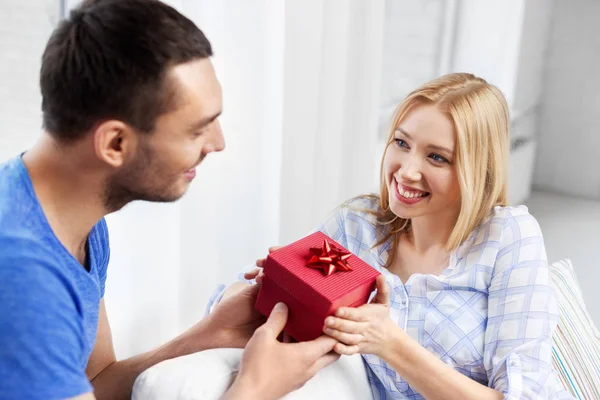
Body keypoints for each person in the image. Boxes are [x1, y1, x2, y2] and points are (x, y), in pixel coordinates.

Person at [0, 1, 339, 399]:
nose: (218, 143)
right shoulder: (23, 279)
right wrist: (255, 389)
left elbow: (97, 381)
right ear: (115, 143)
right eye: (197, 131)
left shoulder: (72, 216)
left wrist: (208, 335)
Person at [217, 73, 573, 399]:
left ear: (478, 170)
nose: (407, 171)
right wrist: (277, 282)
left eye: (437, 157)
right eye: (401, 143)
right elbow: (233, 310)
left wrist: (392, 345)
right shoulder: (357, 226)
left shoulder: (508, 237)